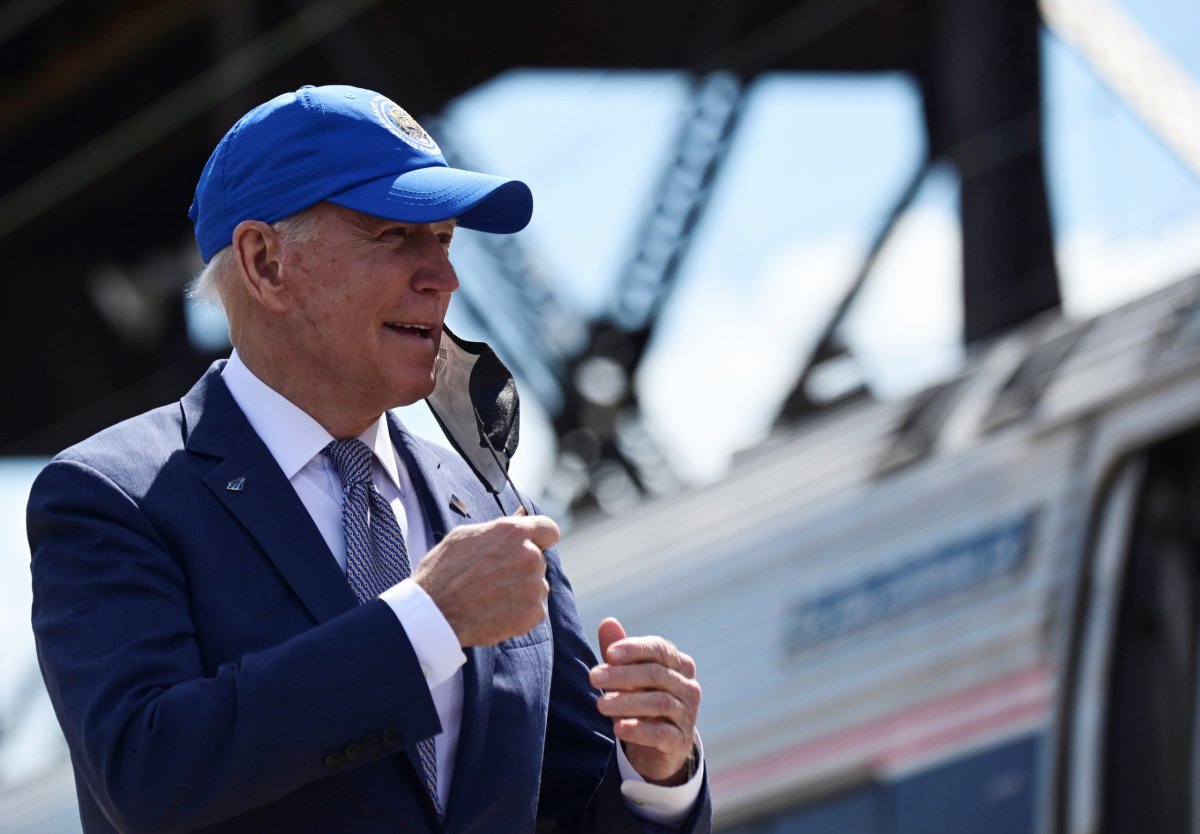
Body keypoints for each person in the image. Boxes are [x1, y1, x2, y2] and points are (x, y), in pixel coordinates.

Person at [28, 84, 711, 833]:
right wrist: (426, 621)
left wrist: (657, 779)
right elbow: (146, 771)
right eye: (394, 236)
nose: (443, 277)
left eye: (445, 239)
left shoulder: (494, 512)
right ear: (265, 264)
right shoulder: (113, 496)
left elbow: (569, 804)